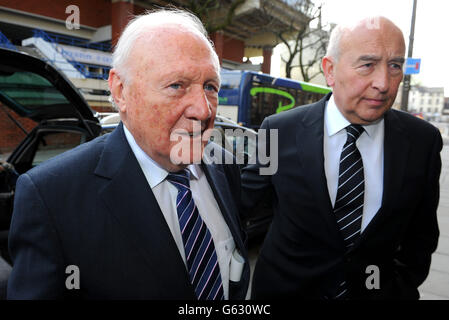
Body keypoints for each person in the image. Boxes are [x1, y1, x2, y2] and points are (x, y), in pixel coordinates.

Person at [7, 8, 249, 300]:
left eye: (210, 87)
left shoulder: (224, 165)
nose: (203, 109)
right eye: (177, 85)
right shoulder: (50, 196)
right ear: (121, 91)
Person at [243, 16, 442, 299]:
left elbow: (421, 236)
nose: (384, 83)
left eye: (395, 65)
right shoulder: (279, 131)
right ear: (330, 70)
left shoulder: (423, 141)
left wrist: (400, 287)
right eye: (367, 65)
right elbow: (241, 204)